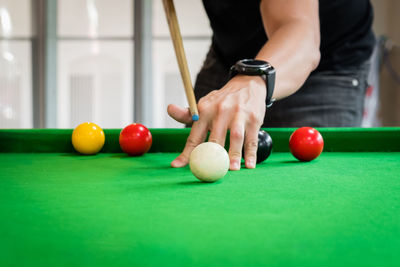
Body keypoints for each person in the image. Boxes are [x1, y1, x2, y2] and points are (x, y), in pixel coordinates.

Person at [167, 0, 375, 171]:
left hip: (322, 63)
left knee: (312, 182)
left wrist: (252, 78)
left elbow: (295, 25)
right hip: (230, 54)